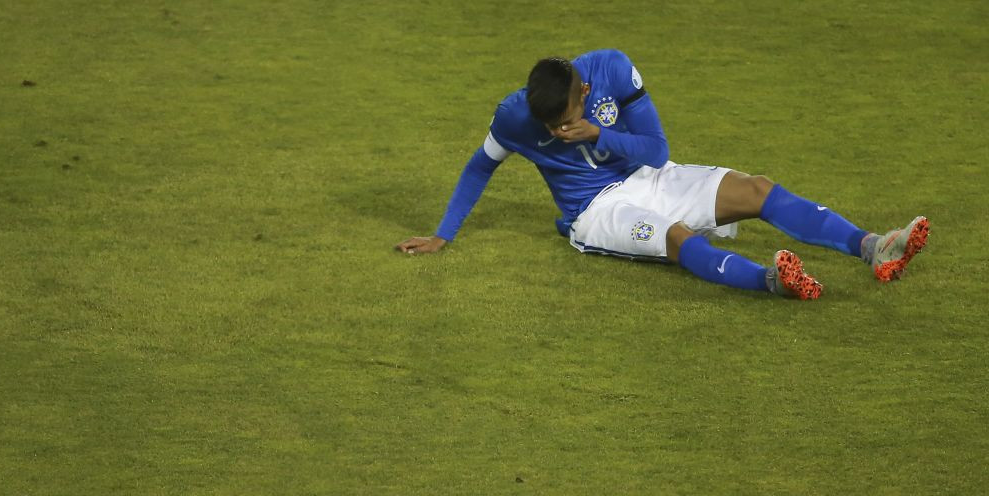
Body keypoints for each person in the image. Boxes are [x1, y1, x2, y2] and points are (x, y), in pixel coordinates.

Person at [395, 49, 929, 300]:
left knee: (757, 189)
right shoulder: (514, 116)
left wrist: (599, 134)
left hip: (651, 175)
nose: (557, 131)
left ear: (585, 93)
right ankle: (773, 281)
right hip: (596, 211)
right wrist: (444, 234)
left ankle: (873, 247)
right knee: (674, 238)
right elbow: (479, 167)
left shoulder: (611, 70)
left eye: (566, 121)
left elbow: (656, 150)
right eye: (550, 126)